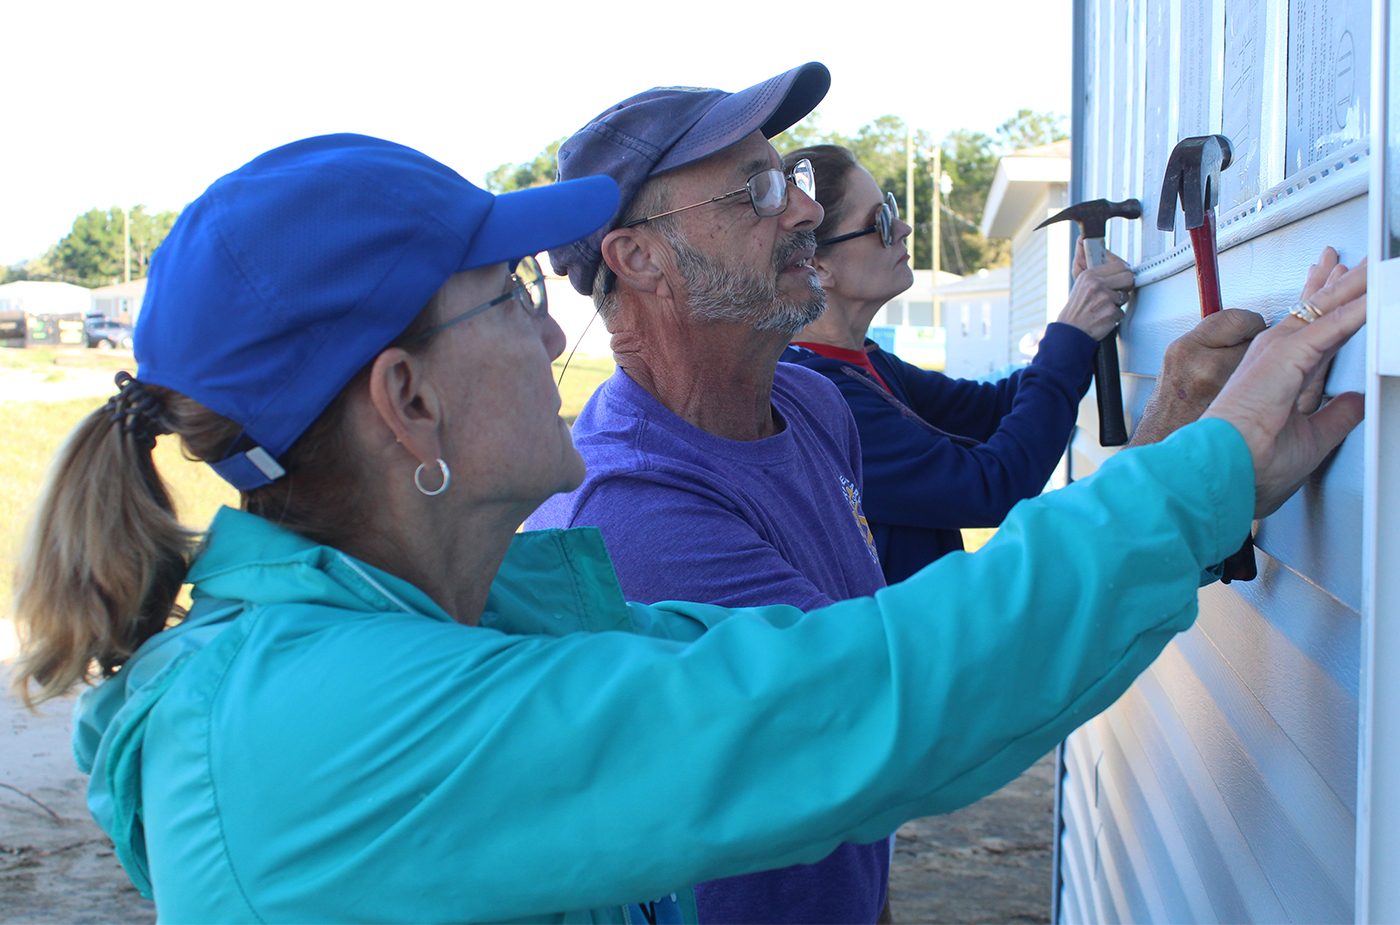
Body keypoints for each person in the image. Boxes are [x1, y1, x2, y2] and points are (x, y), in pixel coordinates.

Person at [10, 134, 1367, 924]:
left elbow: (861, 668)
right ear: (406, 402)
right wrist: (1208, 473)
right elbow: (856, 702)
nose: (556, 329)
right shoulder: (321, 720)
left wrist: (1194, 475)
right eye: (510, 294)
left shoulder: (465, 621)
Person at [525, 62, 1357, 924]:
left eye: (792, 177)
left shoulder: (808, 403)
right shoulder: (633, 513)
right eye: (757, 190)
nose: (803, 209)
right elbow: (894, 716)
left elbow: (872, 682)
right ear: (640, 257)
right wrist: (1191, 466)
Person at [778, 142, 1133, 583]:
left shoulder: (862, 363)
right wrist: (1070, 336)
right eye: (880, 221)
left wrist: (1078, 329)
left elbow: (991, 408)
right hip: (903, 627)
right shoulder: (820, 398)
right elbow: (992, 487)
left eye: (892, 208)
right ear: (819, 267)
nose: (904, 228)